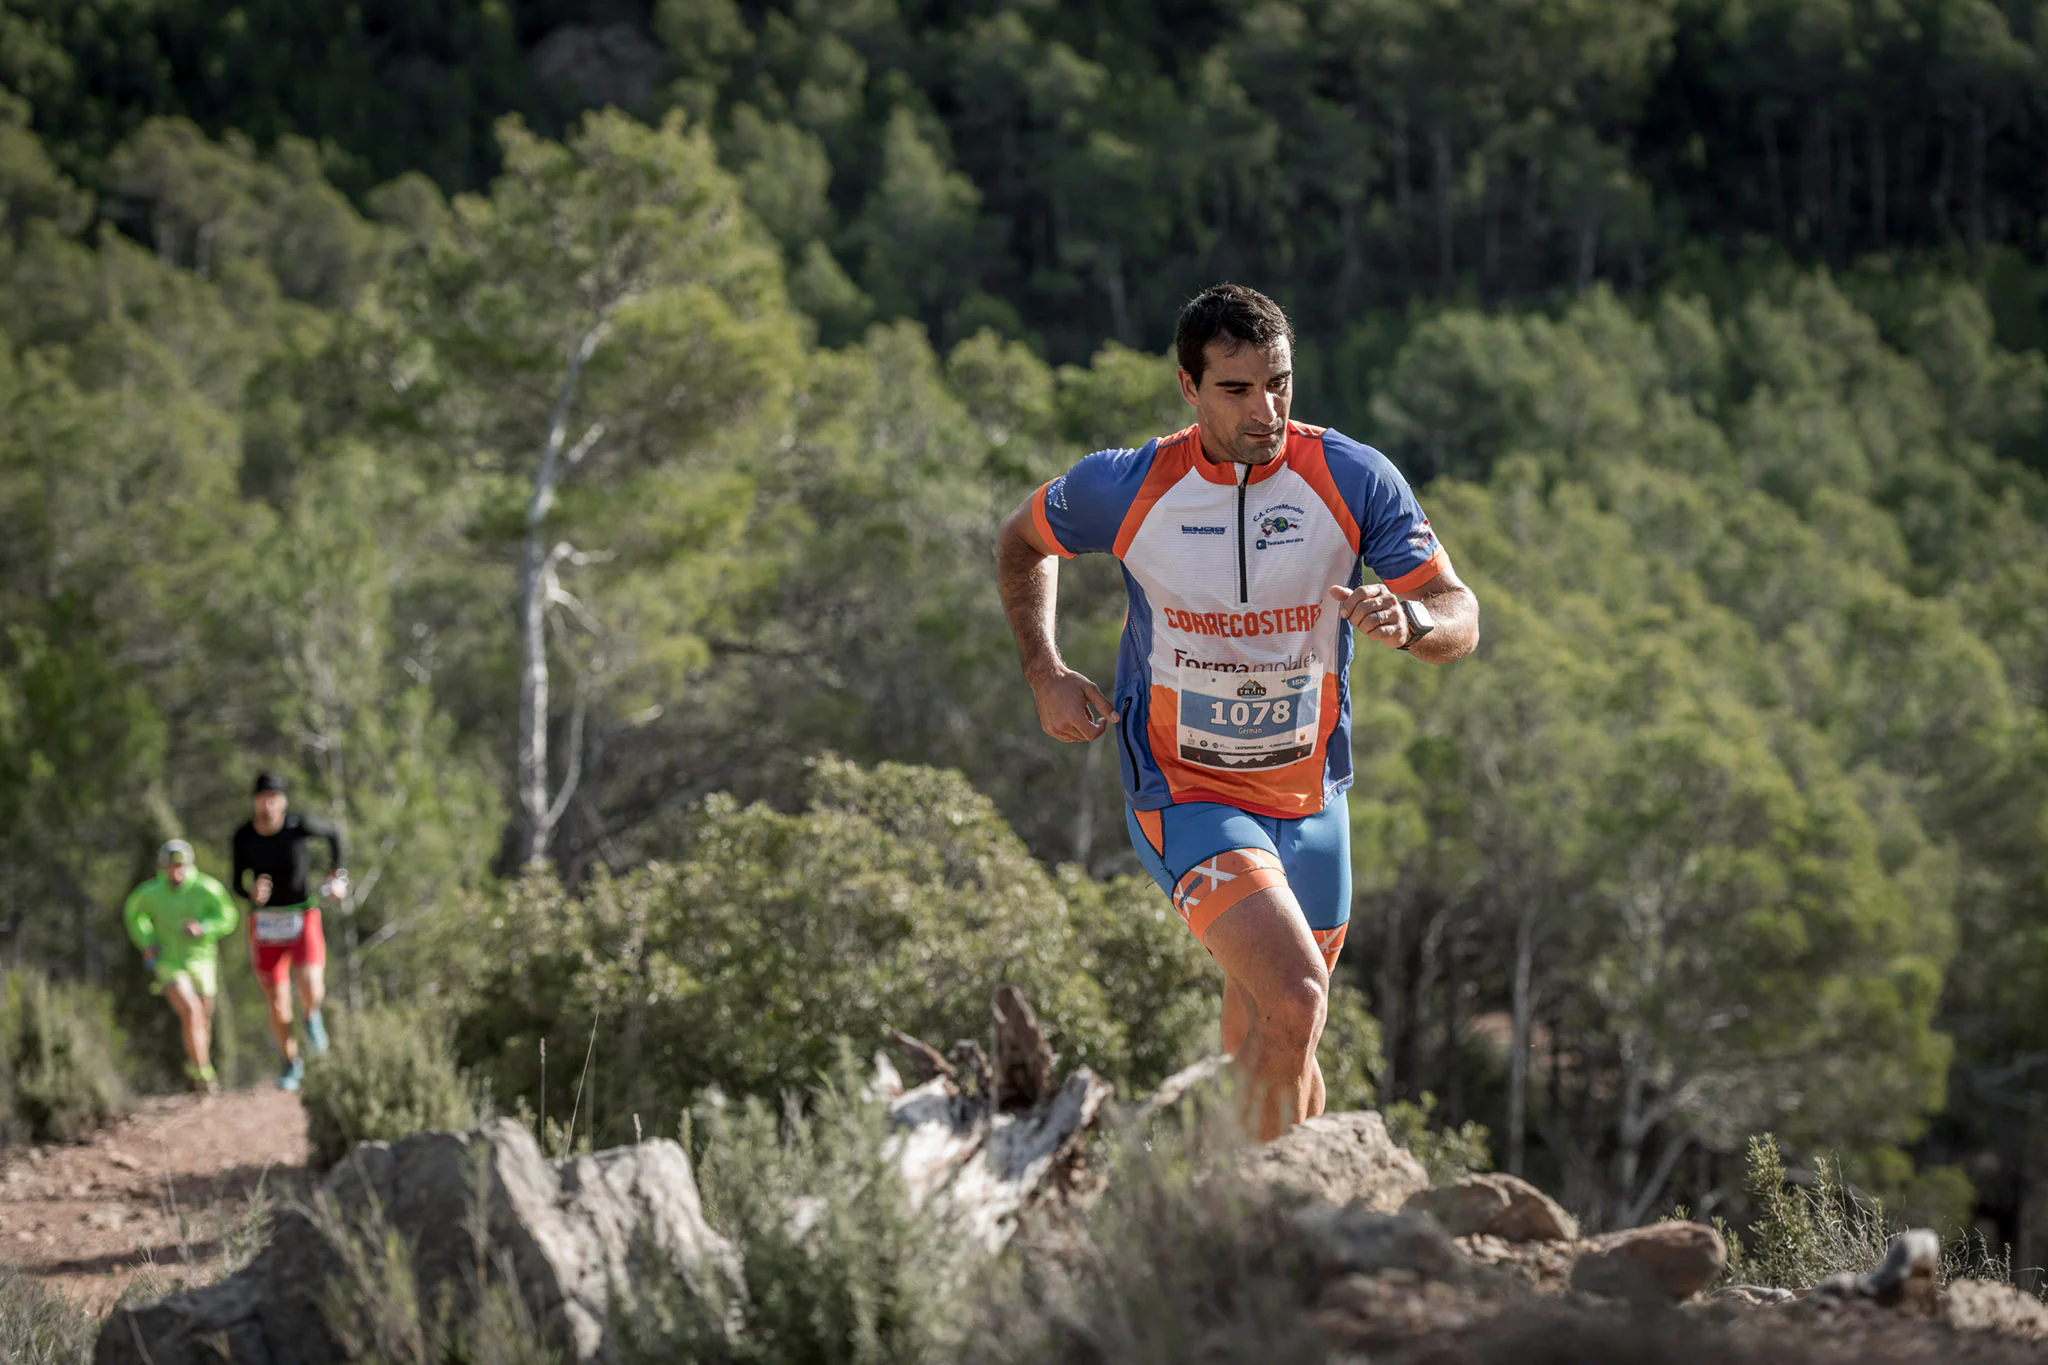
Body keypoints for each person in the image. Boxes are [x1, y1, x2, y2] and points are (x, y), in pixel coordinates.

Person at [995, 283, 1480, 1140]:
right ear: (1189, 386)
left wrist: (1416, 622)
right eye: (1237, 389)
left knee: (1281, 1034)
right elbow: (1021, 539)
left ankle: (1264, 1208)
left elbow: (1458, 608)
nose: (1267, 409)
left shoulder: (1351, 475)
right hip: (1186, 794)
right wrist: (1045, 670)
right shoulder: (1131, 485)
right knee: (1295, 997)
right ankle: (1264, 1231)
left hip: (1312, 798)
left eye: (1281, 382)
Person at [231, 772, 346, 1092]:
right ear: (255, 801)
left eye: (274, 797)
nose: (268, 804)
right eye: (262, 797)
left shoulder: (298, 826)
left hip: (302, 914)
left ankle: (312, 1018)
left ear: (283, 801)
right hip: (266, 923)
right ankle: (290, 1062)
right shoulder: (243, 836)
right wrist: (251, 892)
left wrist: (336, 874)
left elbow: (335, 835)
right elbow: (236, 883)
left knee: (310, 984)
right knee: (278, 1003)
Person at [123, 840, 239, 1093]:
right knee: (191, 1012)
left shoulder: (206, 888)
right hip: (169, 962)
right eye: (171, 867)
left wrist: (204, 928)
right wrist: (147, 940)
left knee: (202, 1019)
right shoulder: (150, 892)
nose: (176, 872)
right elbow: (133, 914)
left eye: (180, 866)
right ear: (162, 867)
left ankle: (195, 1067)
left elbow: (229, 916)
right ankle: (205, 1073)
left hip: (202, 962)